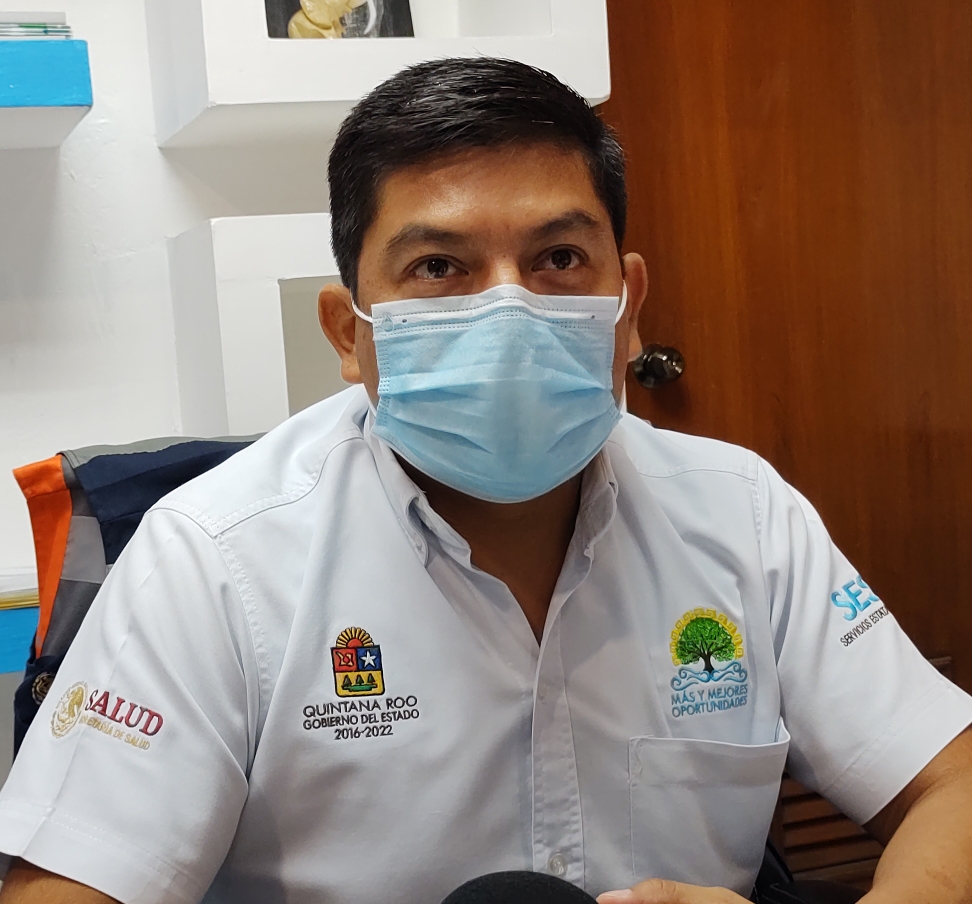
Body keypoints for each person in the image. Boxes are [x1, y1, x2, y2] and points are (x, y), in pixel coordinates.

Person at [0, 57, 970, 904]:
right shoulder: (214, 557)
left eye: (558, 258)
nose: (509, 310)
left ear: (628, 304)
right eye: (438, 267)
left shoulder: (743, 513)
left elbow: (953, 784)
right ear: (349, 334)